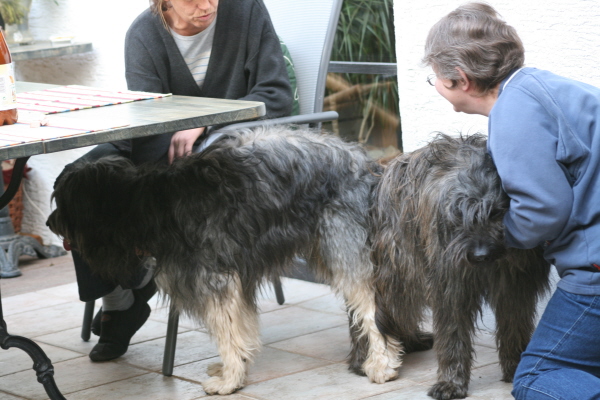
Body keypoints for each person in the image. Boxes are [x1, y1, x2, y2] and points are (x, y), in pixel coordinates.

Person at [62, 0, 293, 363]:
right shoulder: (144, 34)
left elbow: (276, 97)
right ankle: (120, 297)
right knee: (80, 179)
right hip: (161, 146)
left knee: (155, 187)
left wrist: (206, 121)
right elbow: (148, 121)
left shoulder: (246, 10)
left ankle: (139, 276)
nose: (207, 5)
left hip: (232, 150)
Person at [423, 3, 600, 399]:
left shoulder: (514, 112)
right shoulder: (544, 87)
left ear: (461, 79)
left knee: (535, 377)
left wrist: (498, 241)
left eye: (433, 77)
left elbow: (543, 210)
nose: (435, 85)